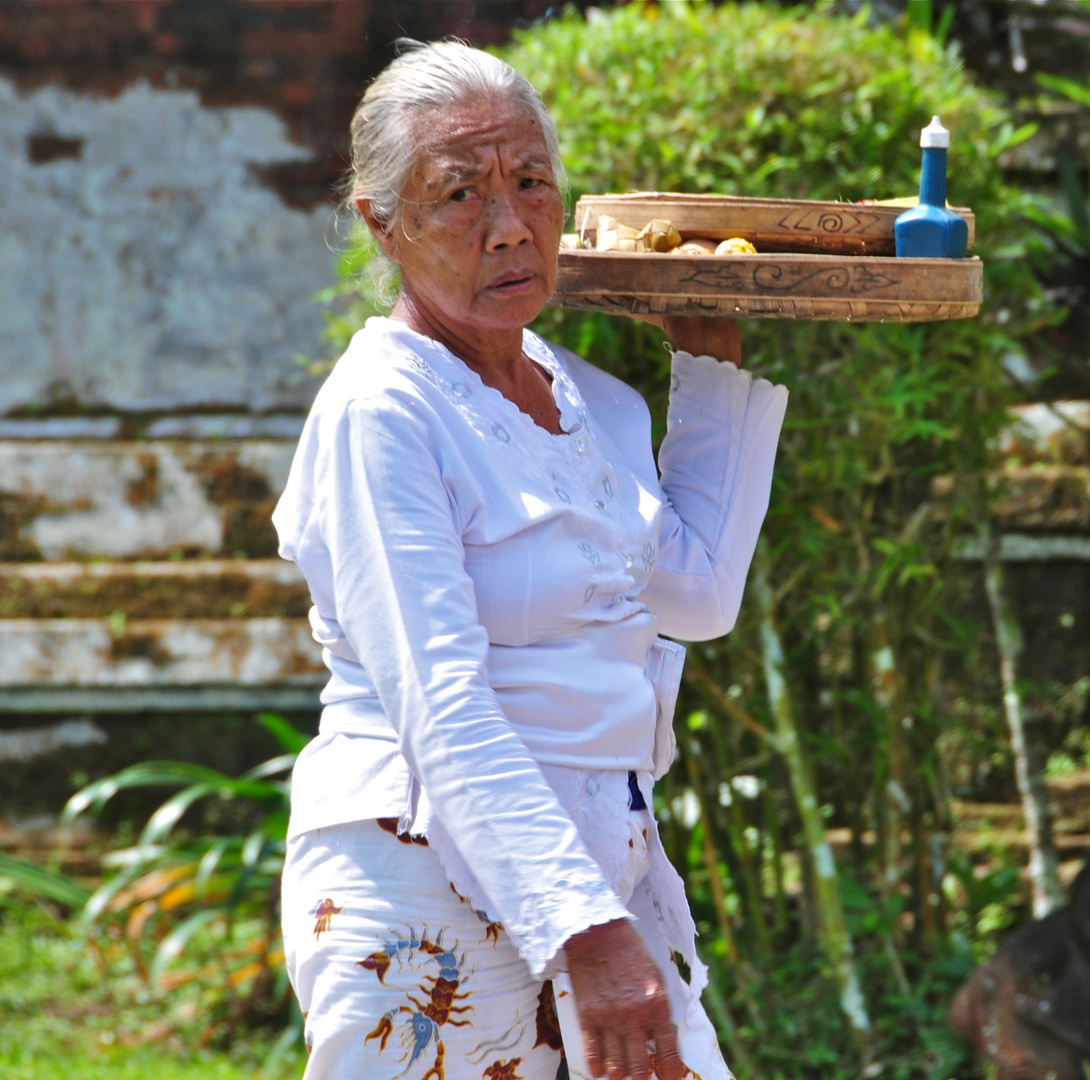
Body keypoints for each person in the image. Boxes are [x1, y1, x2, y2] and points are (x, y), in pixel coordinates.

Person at [273, 40, 787, 1080]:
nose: (509, 227)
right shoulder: (386, 412)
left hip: (601, 871)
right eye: (459, 195)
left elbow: (692, 598)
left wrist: (709, 361)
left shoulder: (590, 399)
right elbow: (439, 701)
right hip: (423, 880)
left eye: (531, 183)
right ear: (382, 223)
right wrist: (584, 936)